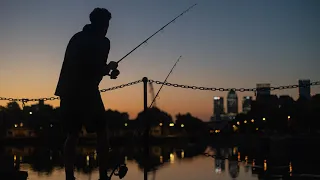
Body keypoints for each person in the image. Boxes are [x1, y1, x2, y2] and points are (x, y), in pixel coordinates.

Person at [55, 8, 119, 180]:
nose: (106, 27)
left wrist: (107, 71)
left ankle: (71, 176)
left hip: (73, 91)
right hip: (81, 92)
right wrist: (108, 69)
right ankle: (101, 175)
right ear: (98, 23)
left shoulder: (82, 38)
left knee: (74, 133)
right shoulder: (98, 41)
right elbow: (90, 67)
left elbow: (95, 67)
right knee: (97, 132)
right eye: (105, 24)